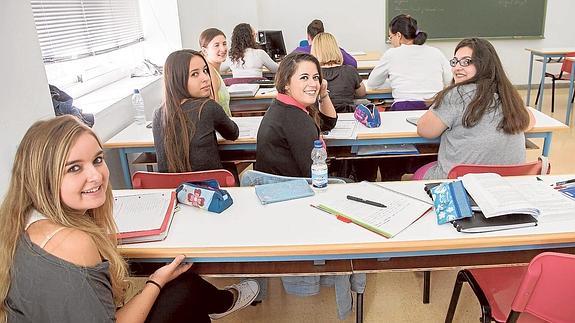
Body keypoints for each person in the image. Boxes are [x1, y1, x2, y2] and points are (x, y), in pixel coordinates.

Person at [0, 115, 259, 323]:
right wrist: (155, 281)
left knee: (182, 283)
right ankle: (221, 302)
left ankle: (220, 302)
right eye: (74, 168)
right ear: (41, 176)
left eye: (98, 160)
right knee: (183, 291)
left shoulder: (20, 221)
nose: (96, 176)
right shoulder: (73, 242)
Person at [415, 38, 535, 180]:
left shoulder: (456, 94)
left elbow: (425, 131)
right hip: (506, 185)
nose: (457, 68)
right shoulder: (509, 95)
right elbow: (529, 121)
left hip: (459, 184)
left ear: (484, 64)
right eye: (454, 62)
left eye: (466, 62)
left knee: (417, 174)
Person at [153, 49, 239, 174]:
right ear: (177, 79)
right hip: (208, 190)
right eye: (194, 74)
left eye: (205, 71)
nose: (205, 78)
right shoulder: (208, 107)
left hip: (172, 190)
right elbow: (233, 133)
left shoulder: (158, 113)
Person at [255, 52, 337, 177]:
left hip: (277, 189)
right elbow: (314, 175)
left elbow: (328, 123)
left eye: (315, 77)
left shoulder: (282, 106)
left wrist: (323, 93)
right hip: (294, 191)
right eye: (304, 77)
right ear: (286, 83)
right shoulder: (296, 119)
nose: (313, 84)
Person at [367, 14, 452, 111]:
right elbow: (450, 80)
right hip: (434, 109)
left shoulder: (391, 54)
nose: (391, 41)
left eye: (391, 37)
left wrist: (394, 82)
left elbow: (372, 83)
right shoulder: (436, 52)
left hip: (403, 108)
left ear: (398, 35)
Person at [311, 32, 366, 113]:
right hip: (347, 115)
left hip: (322, 118)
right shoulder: (350, 71)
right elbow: (362, 93)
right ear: (336, 49)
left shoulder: (313, 74)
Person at [292, 19, 358, 68]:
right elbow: (353, 64)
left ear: (308, 36)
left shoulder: (299, 52)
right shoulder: (335, 51)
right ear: (323, 34)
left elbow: (286, 65)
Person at [200, 28, 232, 116]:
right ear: (205, 51)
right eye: (216, 45)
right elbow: (215, 114)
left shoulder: (214, 70)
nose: (223, 49)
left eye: (224, 44)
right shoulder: (210, 72)